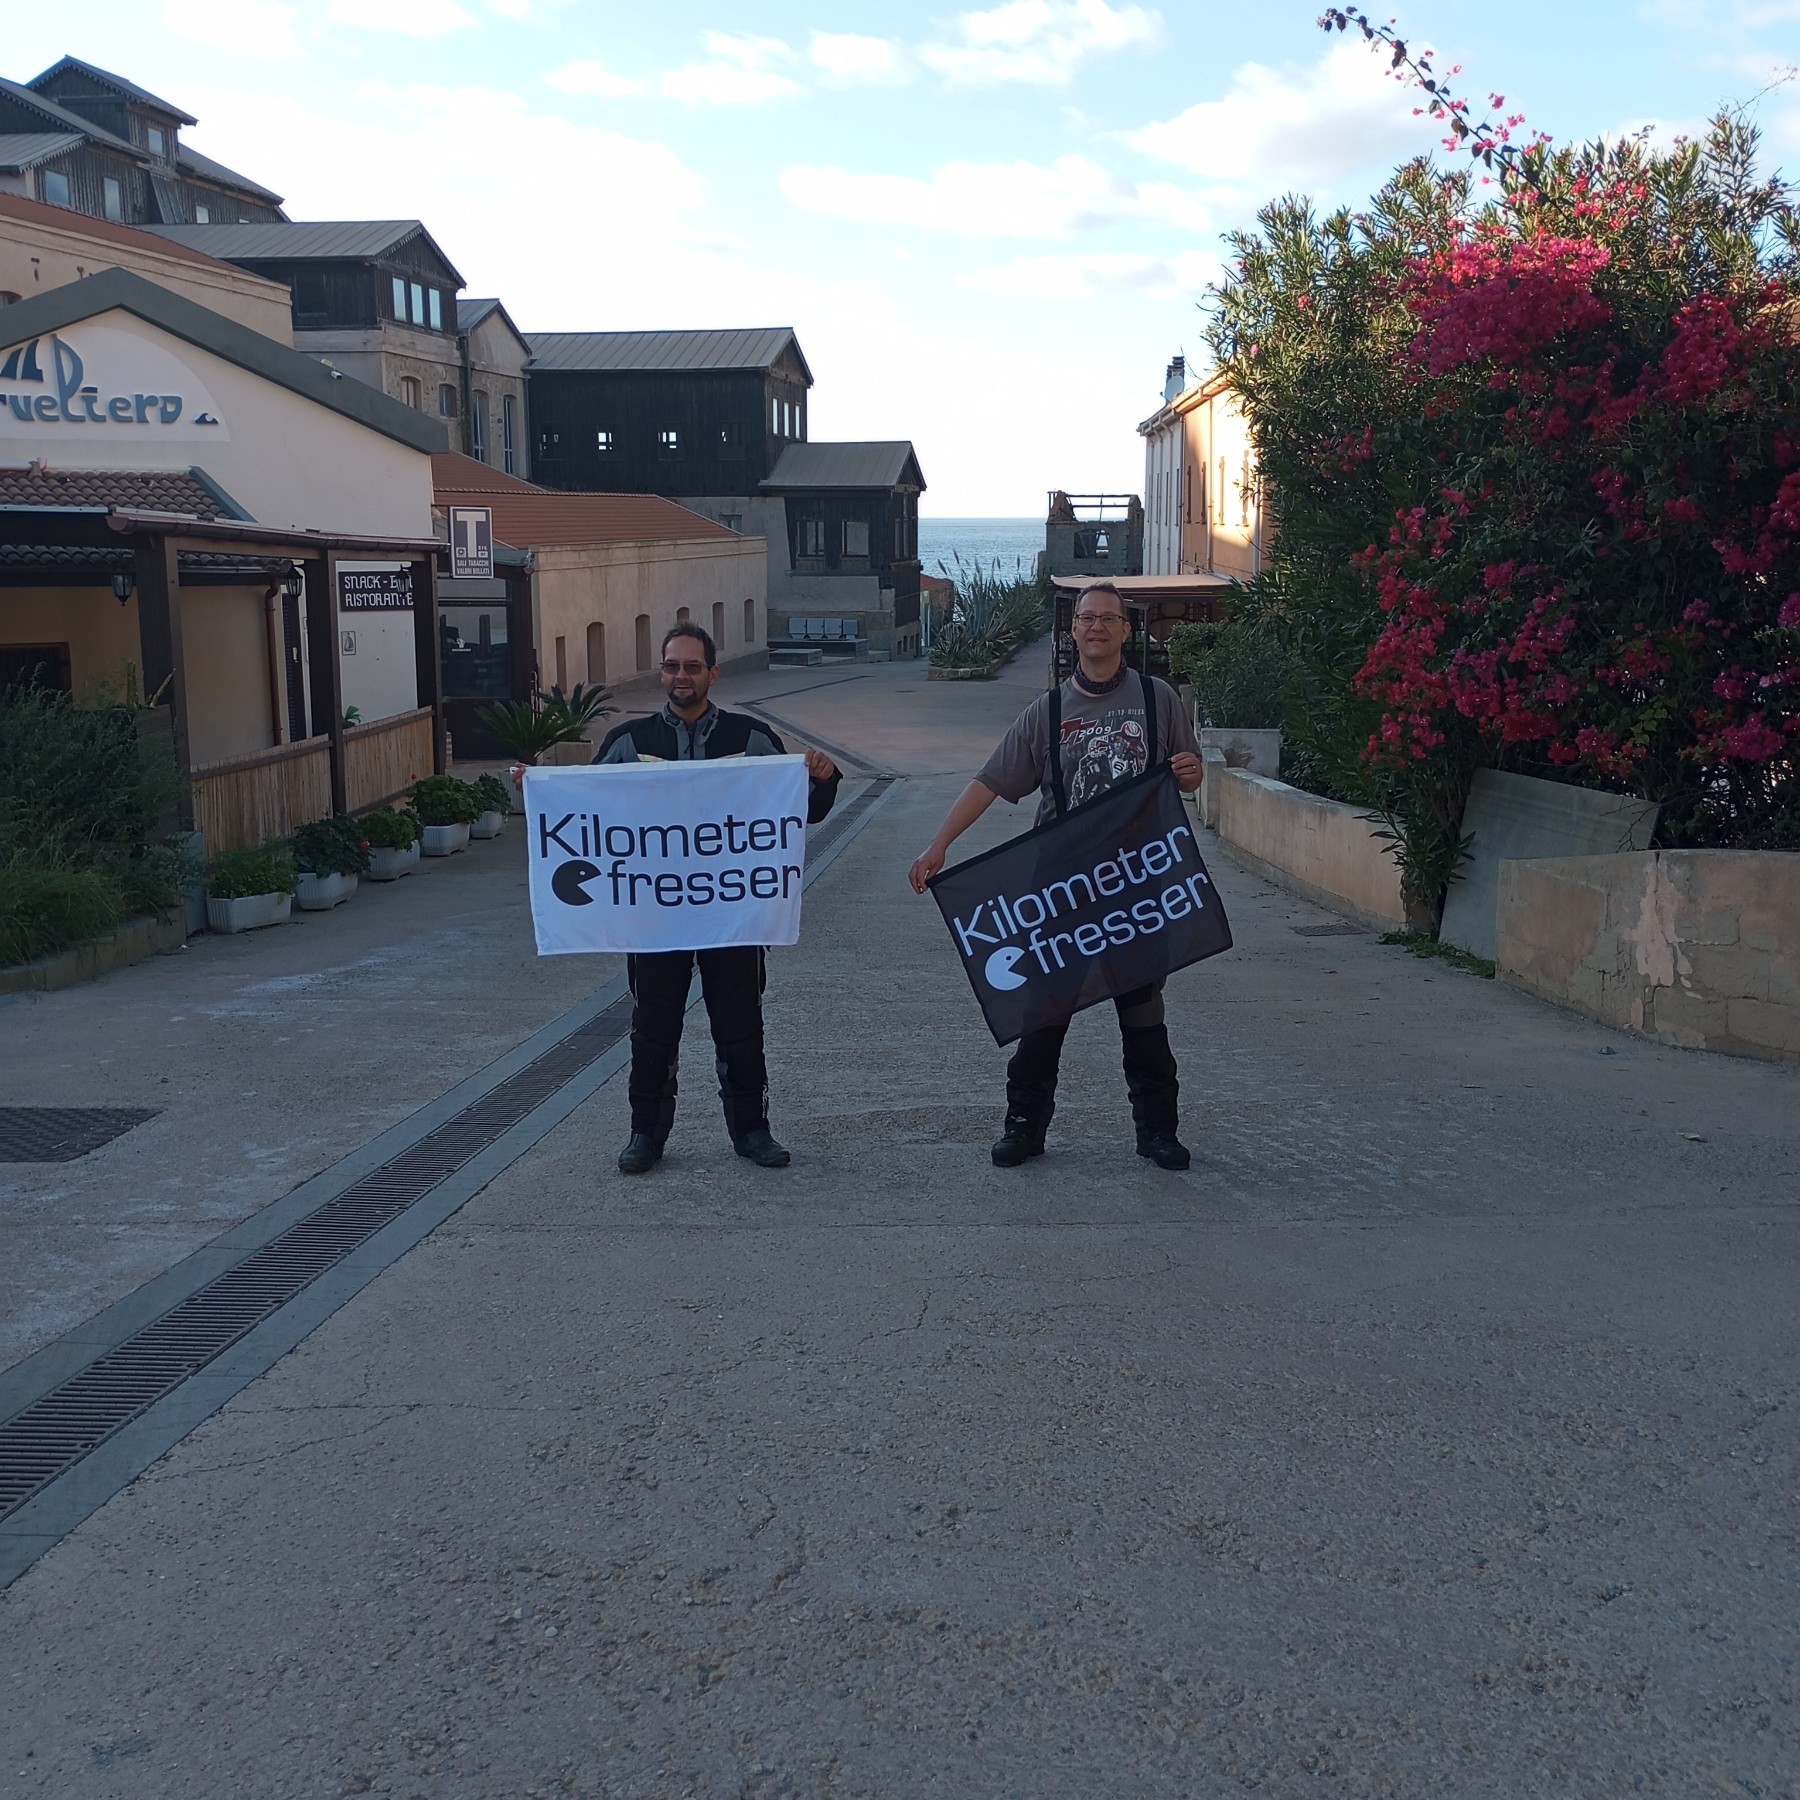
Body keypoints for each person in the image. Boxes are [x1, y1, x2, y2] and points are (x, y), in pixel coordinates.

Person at [908, 581, 1205, 1170]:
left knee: (1143, 1011)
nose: (1097, 627)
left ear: (1125, 630)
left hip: (1135, 884)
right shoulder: (1045, 713)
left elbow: (1188, 773)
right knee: (1044, 1012)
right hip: (1061, 887)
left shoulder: (1159, 699)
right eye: (1087, 618)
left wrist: (1192, 773)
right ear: (1073, 630)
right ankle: (1024, 1126)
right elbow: (991, 781)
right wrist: (939, 844)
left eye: (1108, 619)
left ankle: (1158, 1131)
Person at [594, 621, 840, 1175]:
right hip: (656, 916)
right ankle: (645, 1135)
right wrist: (536, 790)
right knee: (653, 1030)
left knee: (741, 1026)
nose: (680, 676)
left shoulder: (751, 738)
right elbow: (585, 809)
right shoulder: (628, 743)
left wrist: (823, 777)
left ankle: (752, 1130)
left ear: (713, 673)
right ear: (661, 673)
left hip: (733, 913)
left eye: (692, 666)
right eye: (671, 666)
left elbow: (798, 809)